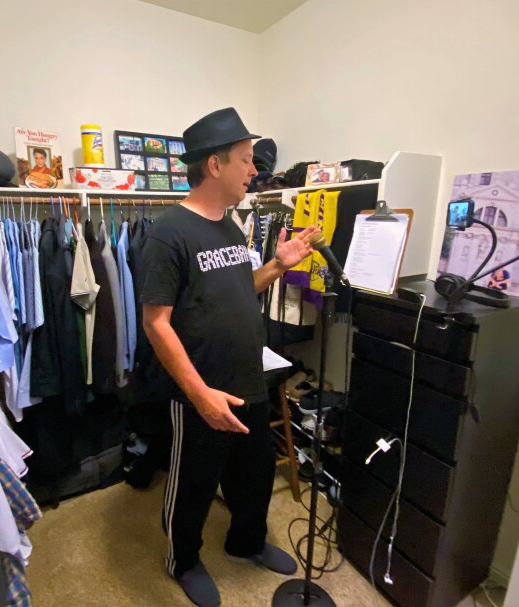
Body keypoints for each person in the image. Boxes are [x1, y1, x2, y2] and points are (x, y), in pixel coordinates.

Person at [140, 107, 316, 607]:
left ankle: (246, 543)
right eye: (245, 160)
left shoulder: (232, 228)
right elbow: (156, 323)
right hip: (201, 390)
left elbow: (241, 288)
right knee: (193, 484)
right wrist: (199, 396)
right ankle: (183, 560)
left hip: (249, 379)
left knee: (255, 473)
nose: (254, 170)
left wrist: (277, 265)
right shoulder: (168, 233)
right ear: (214, 166)